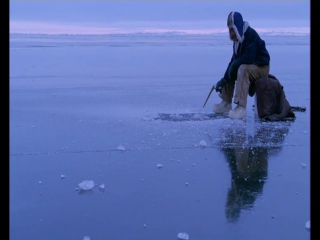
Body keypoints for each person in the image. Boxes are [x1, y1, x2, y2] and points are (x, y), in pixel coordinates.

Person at [213, 11, 270, 119]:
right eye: (229, 29)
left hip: (261, 68)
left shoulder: (250, 35)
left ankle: (241, 107)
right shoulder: (237, 41)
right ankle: (226, 103)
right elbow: (233, 61)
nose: (230, 33)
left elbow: (250, 57)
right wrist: (224, 80)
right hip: (250, 66)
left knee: (242, 68)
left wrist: (234, 65)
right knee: (234, 68)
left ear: (237, 27)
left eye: (232, 29)